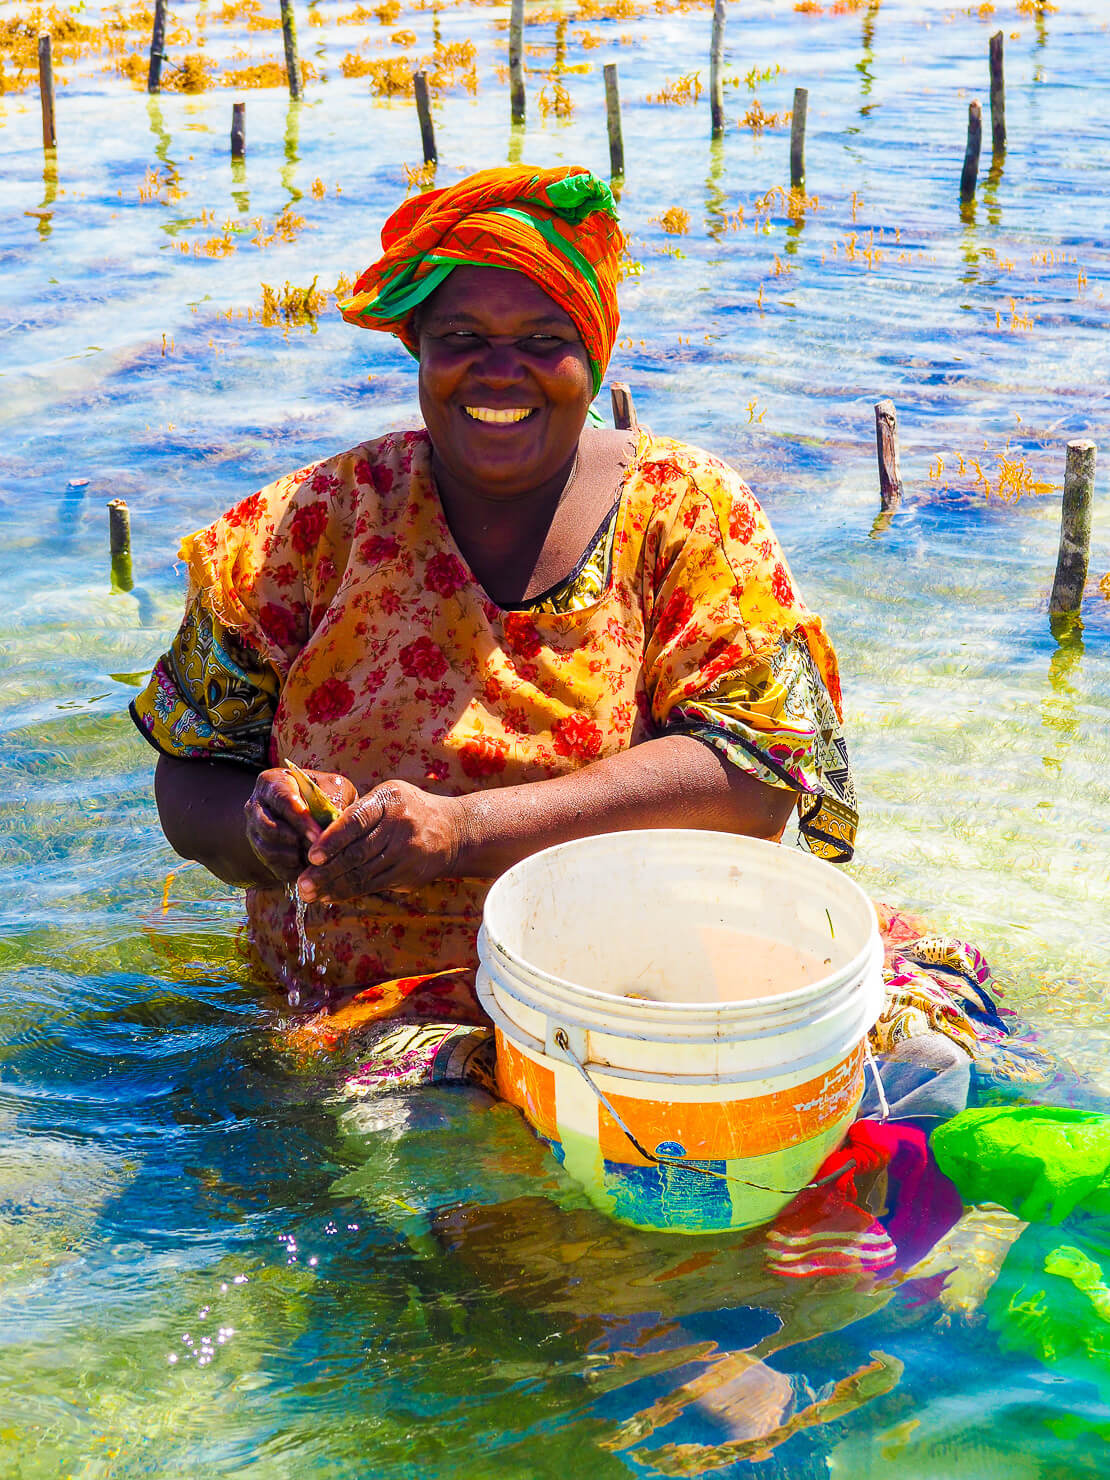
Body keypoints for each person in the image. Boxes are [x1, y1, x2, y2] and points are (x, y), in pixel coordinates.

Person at [131, 164, 857, 1022]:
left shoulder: (685, 513)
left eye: (544, 339)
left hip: (614, 1009)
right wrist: (261, 827)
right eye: (463, 338)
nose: (499, 372)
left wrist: (462, 833)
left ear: (593, 354)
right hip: (338, 1015)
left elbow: (761, 767)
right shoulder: (313, 522)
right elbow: (191, 777)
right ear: (419, 351)